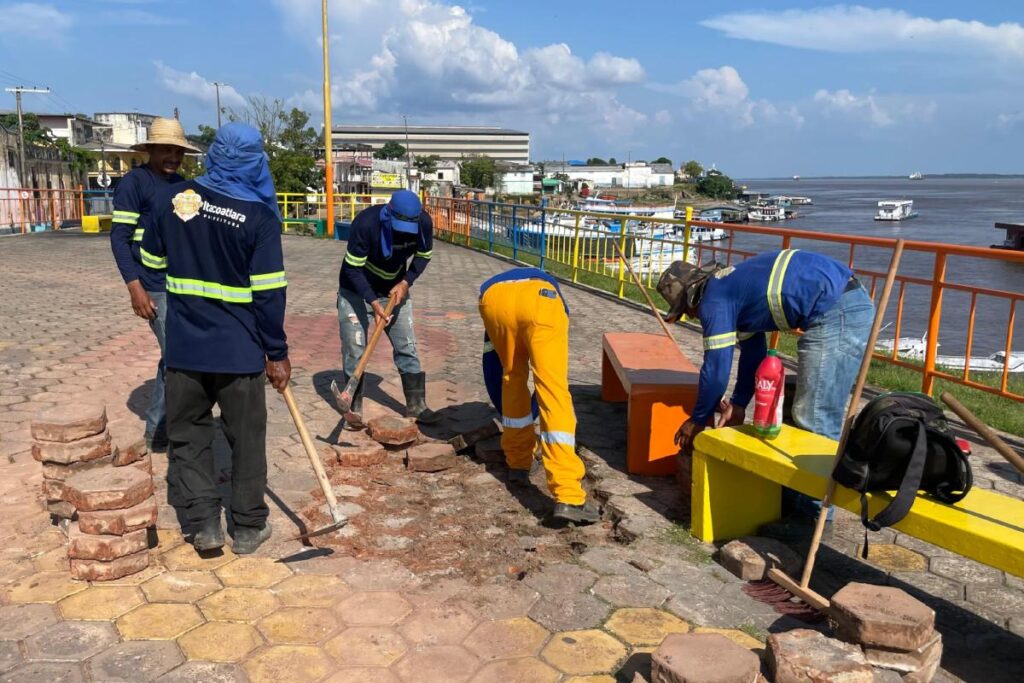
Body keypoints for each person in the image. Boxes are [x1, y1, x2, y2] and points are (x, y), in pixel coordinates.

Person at [142, 123, 289, 555]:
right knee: (245, 440)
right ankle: (247, 528)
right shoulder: (258, 217)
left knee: (188, 438)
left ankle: (204, 524)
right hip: (240, 352)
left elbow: (150, 262)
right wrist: (276, 353)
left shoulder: (176, 201)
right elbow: (268, 293)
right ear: (253, 162)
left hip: (185, 348)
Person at [659, 250, 874, 530]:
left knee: (816, 414)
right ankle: (793, 498)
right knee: (803, 413)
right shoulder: (733, 290)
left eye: (688, 315)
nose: (695, 319)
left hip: (838, 310)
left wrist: (698, 419)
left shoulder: (714, 298)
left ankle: (811, 520)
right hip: (840, 302)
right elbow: (753, 355)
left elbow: (716, 367)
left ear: (690, 300)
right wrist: (738, 404)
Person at [479, 267, 600, 524]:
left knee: (511, 378)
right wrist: (538, 408)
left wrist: (507, 407)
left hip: (492, 298)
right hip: (539, 298)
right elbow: (546, 388)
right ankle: (568, 495)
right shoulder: (557, 302)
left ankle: (518, 463)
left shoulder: (501, 288)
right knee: (553, 388)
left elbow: (491, 367)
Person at [109, 117, 200, 451]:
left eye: (177, 151)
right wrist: (135, 287)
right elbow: (119, 239)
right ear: (150, 150)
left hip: (182, 284)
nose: (173, 157)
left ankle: (172, 422)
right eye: (165, 149)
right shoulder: (135, 184)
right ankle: (157, 428)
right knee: (175, 354)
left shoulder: (185, 187)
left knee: (180, 353)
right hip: (152, 286)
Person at [335, 189, 439, 428]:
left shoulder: (423, 223)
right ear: (388, 213)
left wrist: (405, 282)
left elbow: (424, 255)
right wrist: (373, 302)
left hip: (394, 289)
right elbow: (352, 270)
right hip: (355, 291)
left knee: (407, 346)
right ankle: (353, 408)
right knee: (354, 347)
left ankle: (417, 405)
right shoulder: (366, 223)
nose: (403, 232)